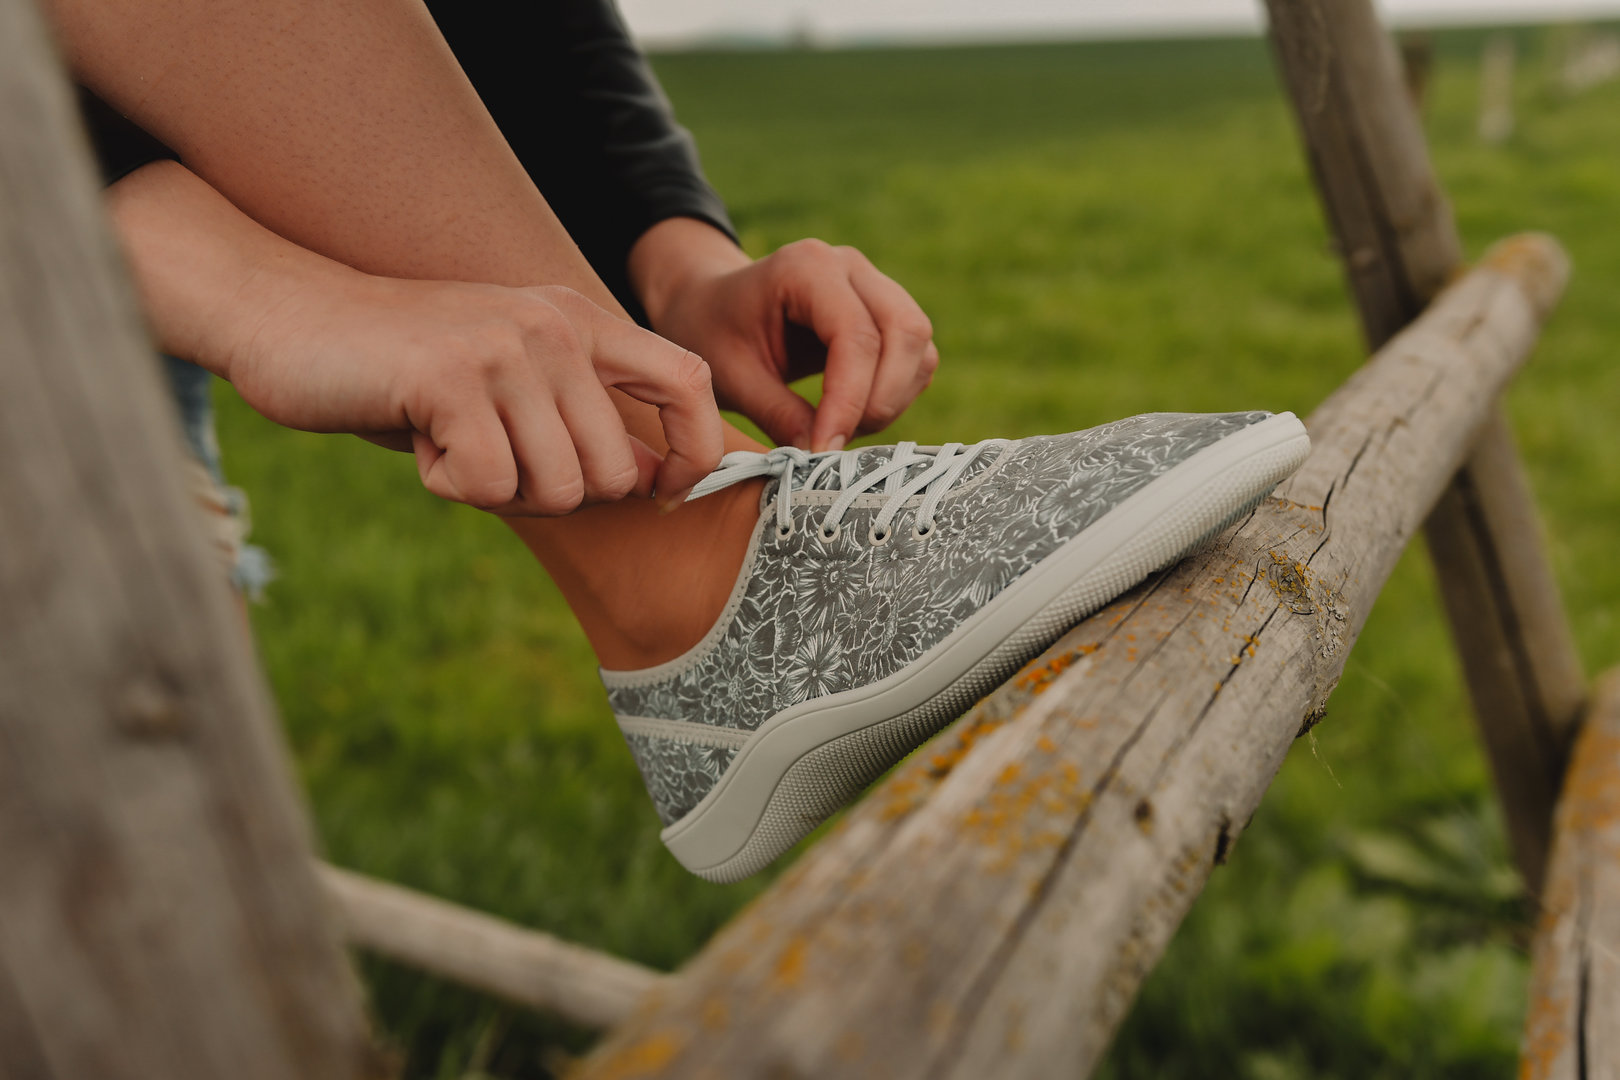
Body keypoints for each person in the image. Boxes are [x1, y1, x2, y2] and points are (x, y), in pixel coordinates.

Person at [60, 0, 1309, 879]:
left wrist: (675, 257)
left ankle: (701, 599)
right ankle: (695, 579)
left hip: (94, 334)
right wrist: (246, 289)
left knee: (173, 946)